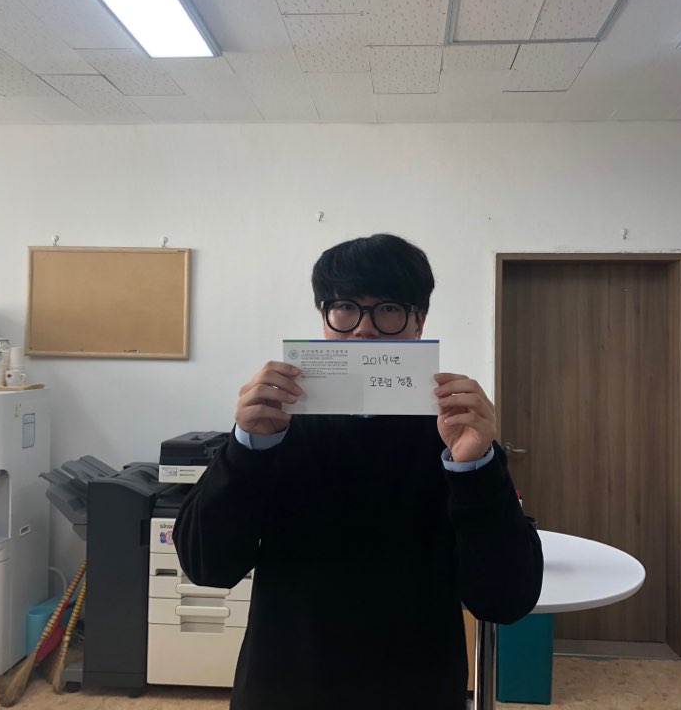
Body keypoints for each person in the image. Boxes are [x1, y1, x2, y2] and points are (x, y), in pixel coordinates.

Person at [173, 234, 543, 710]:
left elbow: (507, 599)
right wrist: (247, 448)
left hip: (416, 691)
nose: (364, 329)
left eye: (388, 310)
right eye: (345, 307)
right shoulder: (276, 429)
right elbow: (207, 567)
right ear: (324, 317)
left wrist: (475, 467)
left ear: (419, 322)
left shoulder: (454, 438)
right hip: (286, 687)